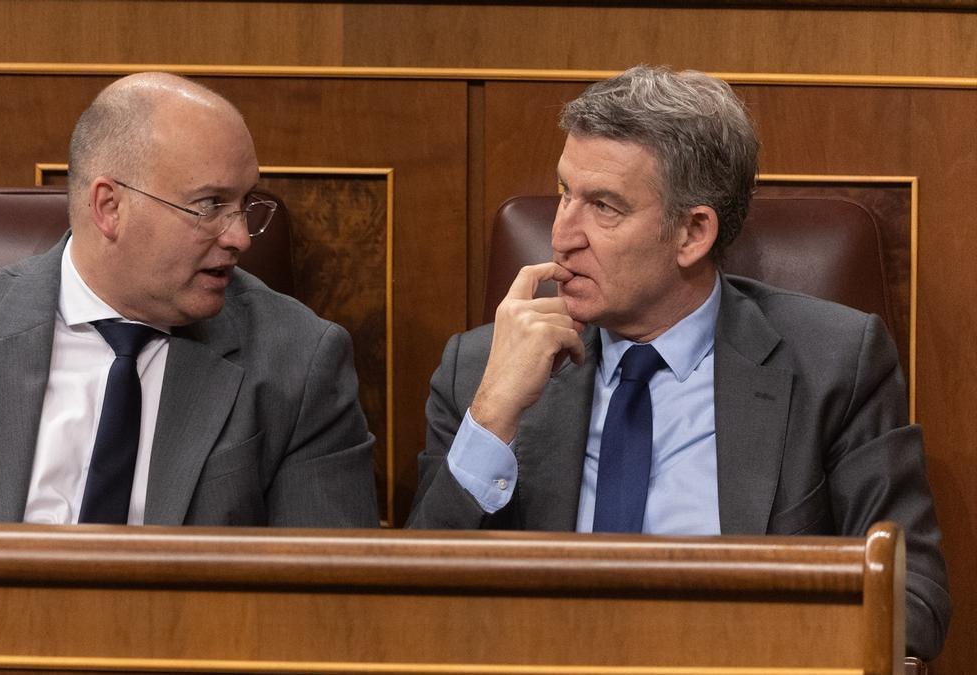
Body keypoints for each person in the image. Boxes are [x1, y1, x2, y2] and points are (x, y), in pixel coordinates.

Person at [407, 65, 949, 659]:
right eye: (564, 192)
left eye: (604, 207)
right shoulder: (480, 370)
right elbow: (408, 607)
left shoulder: (835, 364)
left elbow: (909, 592)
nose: (562, 235)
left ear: (693, 233)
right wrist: (491, 418)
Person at [0, 73, 379, 528]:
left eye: (244, 204)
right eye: (210, 205)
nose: (236, 236)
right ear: (109, 207)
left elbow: (325, 605)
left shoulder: (300, 362)